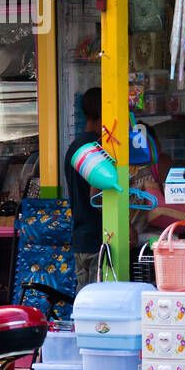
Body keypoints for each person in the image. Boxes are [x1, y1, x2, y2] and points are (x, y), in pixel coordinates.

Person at [64, 88, 103, 289]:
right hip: (99, 239)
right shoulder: (98, 147)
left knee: (84, 305)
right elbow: (96, 196)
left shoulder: (73, 148)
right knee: (100, 306)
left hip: (80, 239)